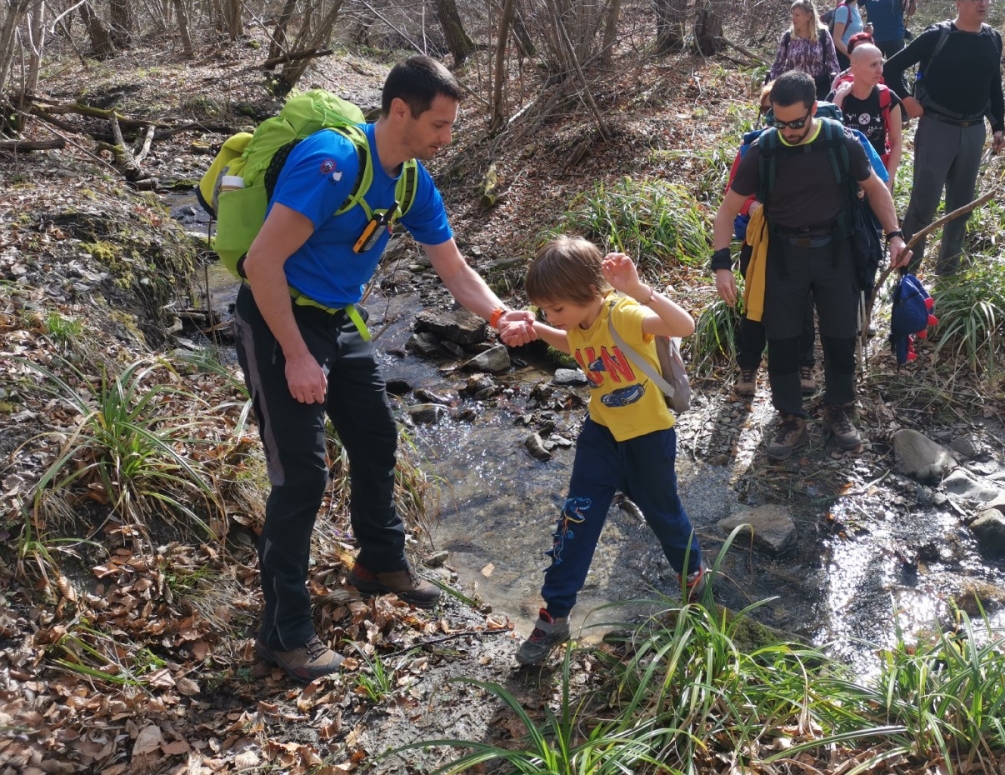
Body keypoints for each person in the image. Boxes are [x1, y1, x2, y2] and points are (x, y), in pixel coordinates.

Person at [236, 55, 537, 683]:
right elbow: (260, 263)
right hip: (277, 317)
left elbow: (454, 270)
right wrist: (294, 355)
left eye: (451, 125)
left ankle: (379, 563)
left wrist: (500, 315)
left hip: (338, 319)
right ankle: (283, 634)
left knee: (376, 439)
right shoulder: (332, 162)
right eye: (439, 124)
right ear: (400, 110)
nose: (446, 138)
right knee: (302, 478)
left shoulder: (410, 183)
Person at [516, 237, 705, 664]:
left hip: (649, 437)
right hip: (600, 435)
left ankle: (692, 576)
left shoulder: (624, 313)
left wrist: (639, 289)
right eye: (544, 309)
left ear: (591, 293)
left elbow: (684, 326)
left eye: (556, 309)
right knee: (576, 516)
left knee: (663, 512)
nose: (551, 316)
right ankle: (555, 614)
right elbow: (573, 346)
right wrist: (537, 328)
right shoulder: (573, 323)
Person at [713, 71, 910, 458]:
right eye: (779, 123)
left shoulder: (841, 142)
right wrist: (722, 264)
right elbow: (726, 212)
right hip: (783, 256)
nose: (788, 131)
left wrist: (894, 235)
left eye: (797, 123)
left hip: (835, 251)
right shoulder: (764, 150)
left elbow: (875, 189)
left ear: (813, 109)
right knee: (783, 340)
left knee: (840, 337)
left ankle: (837, 409)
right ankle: (791, 419)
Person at [883, 0, 1005, 276]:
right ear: (959, 3)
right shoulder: (938, 35)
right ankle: (906, 275)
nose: (983, 3)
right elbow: (891, 68)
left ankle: (947, 274)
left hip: (974, 129)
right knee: (923, 206)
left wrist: (998, 126)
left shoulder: (992, 38)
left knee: (961, 207)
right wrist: (908, 101)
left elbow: (993, 84)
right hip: (937, 127)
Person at [833, 43, 903, 186]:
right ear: (855, 69)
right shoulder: (838, 96)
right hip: (844, 173)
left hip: (878, 173)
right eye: (873, 65)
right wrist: (839, 96)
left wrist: (888, 181)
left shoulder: (888, 97)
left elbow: (896, 142)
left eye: (881, 64)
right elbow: (827, 130)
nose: (879, 71)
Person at [763, 0, 840, 103]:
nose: (793, 18)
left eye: (797, 15)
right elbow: (778, 65)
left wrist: (836, 85)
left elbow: (833, 63)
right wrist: (772, 86)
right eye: (793, 14)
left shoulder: (823, 35)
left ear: (808, 16)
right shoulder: (788, 37)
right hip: (792, 87)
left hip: (819, 87)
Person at [831, 0, 868, 71]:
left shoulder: (855, 7)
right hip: (844, 59)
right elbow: (837, 39)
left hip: (854, 57)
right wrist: (851, 55)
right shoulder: (844, 9)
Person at [829, 32, 876, 96]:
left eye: (870, 51)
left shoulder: (882, 74)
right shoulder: (839, 79)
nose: (866, 55)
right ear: (850, 56)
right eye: (860, 52)